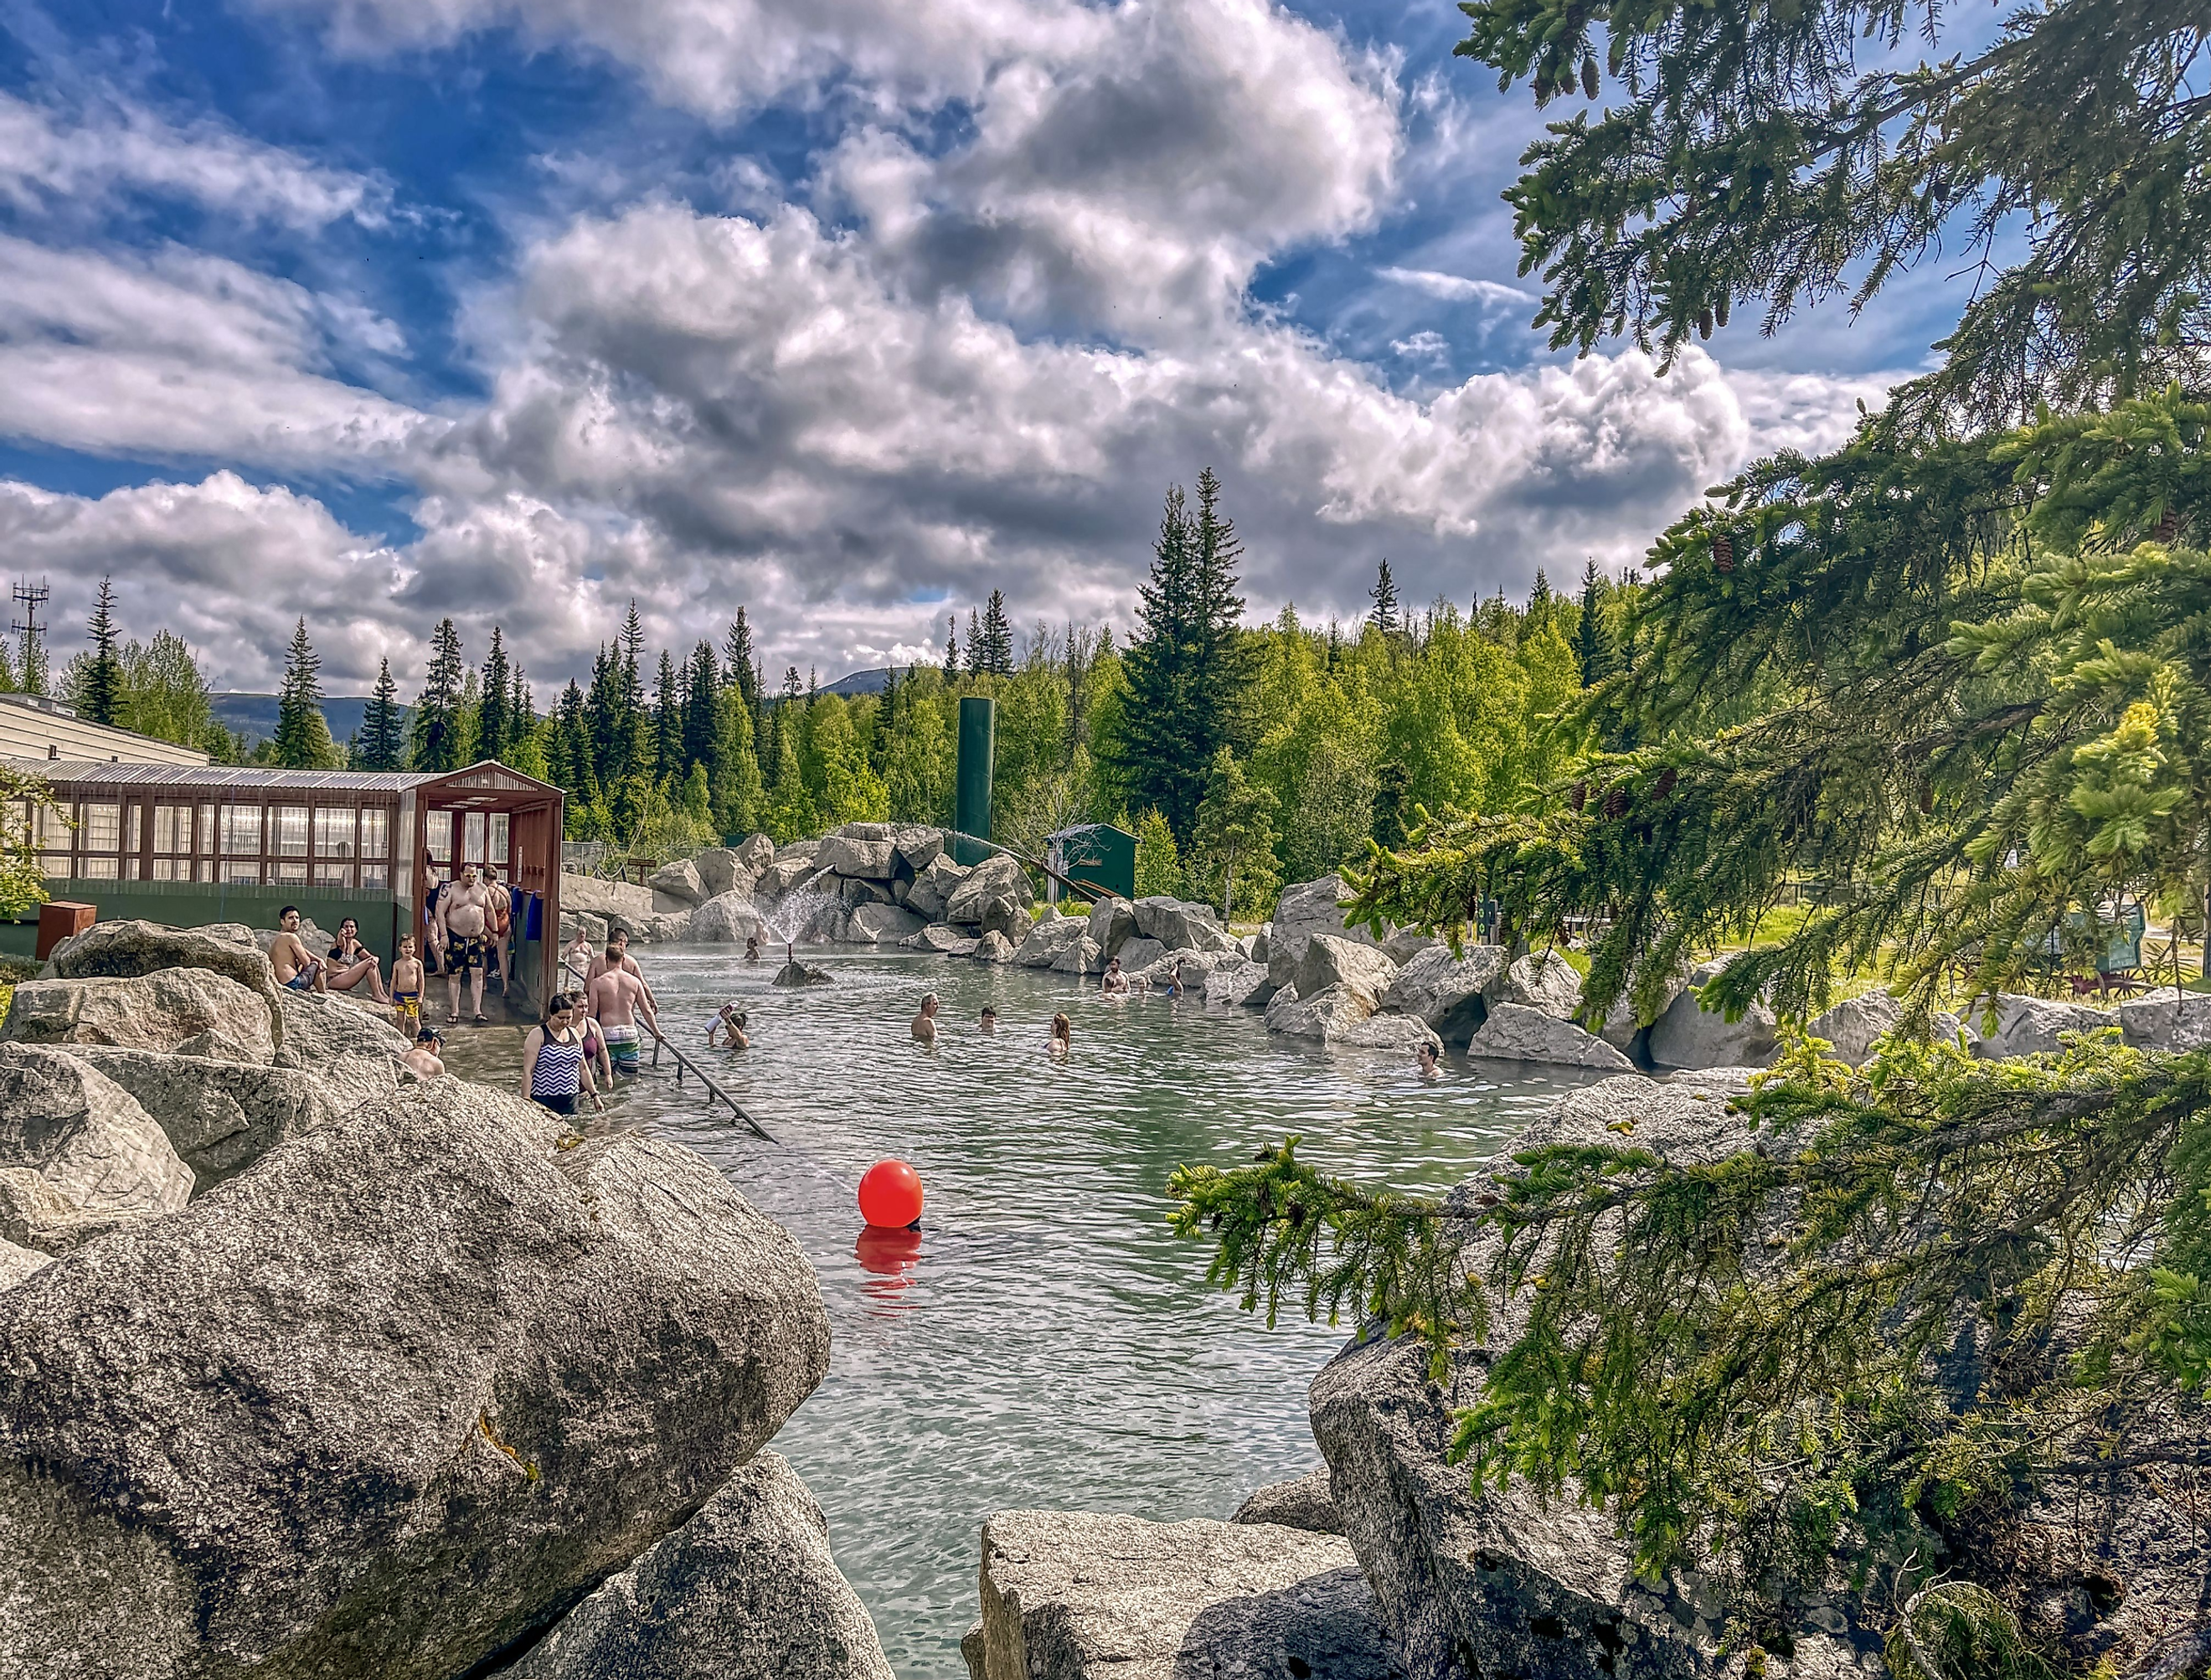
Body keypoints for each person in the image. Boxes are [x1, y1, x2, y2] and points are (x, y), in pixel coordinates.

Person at [523, 994, 603, 1117]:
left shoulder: (574, 1034)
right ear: (551, 1015)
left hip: (570, 1099)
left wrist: (595, 1095)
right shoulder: (538, 1035)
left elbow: (583, 1069)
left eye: (568, 1018)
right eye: (560, 1018)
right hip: (544, 1099)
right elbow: (528, 1071)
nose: (565, 1022)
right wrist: (526, 1102)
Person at [437, 862, 496, 1025]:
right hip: (455, 936)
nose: (471, 879)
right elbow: (440, 912)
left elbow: (489, 910)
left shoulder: (482, 889)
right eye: (468, 875)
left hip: (476, 938)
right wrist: (443, 935)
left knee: (477, 973)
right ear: (461, 874)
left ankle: (477, 1010)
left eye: (474, 876)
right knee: (455, 975)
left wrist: (495, 931)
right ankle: (455, 1011)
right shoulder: (450, 889)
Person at [587, 944, 657, 1078]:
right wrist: (656, 1031)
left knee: (605, 1076)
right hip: (629, 1034)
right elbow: (646, 1010)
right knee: (629, 1078)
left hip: (607, 1034)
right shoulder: (635, 982)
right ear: (623, 960)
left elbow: (591, 1014)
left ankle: (609, 1098)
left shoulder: (597, 983)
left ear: (606, 959)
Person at [588, 927, 658, 1012]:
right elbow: (643, 985)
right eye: (626, 944)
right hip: (626, 1013)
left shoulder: (596, 962)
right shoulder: (632, 962)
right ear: (622, 942)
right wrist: (652, 1001)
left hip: (602, 1012)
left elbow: (587, 988)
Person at [324, 916, 389, 1002]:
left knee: (372, 963)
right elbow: (340, 940)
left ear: (356, 930)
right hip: (333, 980)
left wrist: (376, 959)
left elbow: (369, 957)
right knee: (370, 962)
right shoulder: (339, 942)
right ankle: (377, 994)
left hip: (346, 977)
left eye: (351, 927)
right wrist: (341, 933)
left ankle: (381, 993)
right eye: (346, 927)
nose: (349, 929)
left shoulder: (354, 943)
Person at [267, 906, 327, 993]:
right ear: (282, 921)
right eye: (291, 918)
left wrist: (319, 958)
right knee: (315, 964)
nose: (295, 921)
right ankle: (323, 994)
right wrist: (318, 961)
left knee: (316, 962)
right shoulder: (291, 937)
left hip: (280, 984)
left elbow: (301, 949)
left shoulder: (277, 939)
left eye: (297, 918)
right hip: (293, 984)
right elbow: (306, 962)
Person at [482, 864, 513, 991]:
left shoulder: (486, 891)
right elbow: (510, 908)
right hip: (505, 923)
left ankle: (484, 984)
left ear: (485, 878)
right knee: (503, 956)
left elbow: (484, 910)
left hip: (491, 926)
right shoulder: (505, 890)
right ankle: (506, 985)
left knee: (483, 954)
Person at [390, 935, 425, 1035]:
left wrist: (421, 996)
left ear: (414, 948)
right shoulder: (397, 964)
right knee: (400, 1019)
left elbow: (421, 981)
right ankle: (400, 1039)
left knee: (414, 1019)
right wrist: (391, 996)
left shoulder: (417, 963)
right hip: (400, 995)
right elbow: (394, 981)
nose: (408, 949)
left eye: (410, 947)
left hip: (412, 995)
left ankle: (420, 1039)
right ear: (400, 948)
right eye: (405, 947)